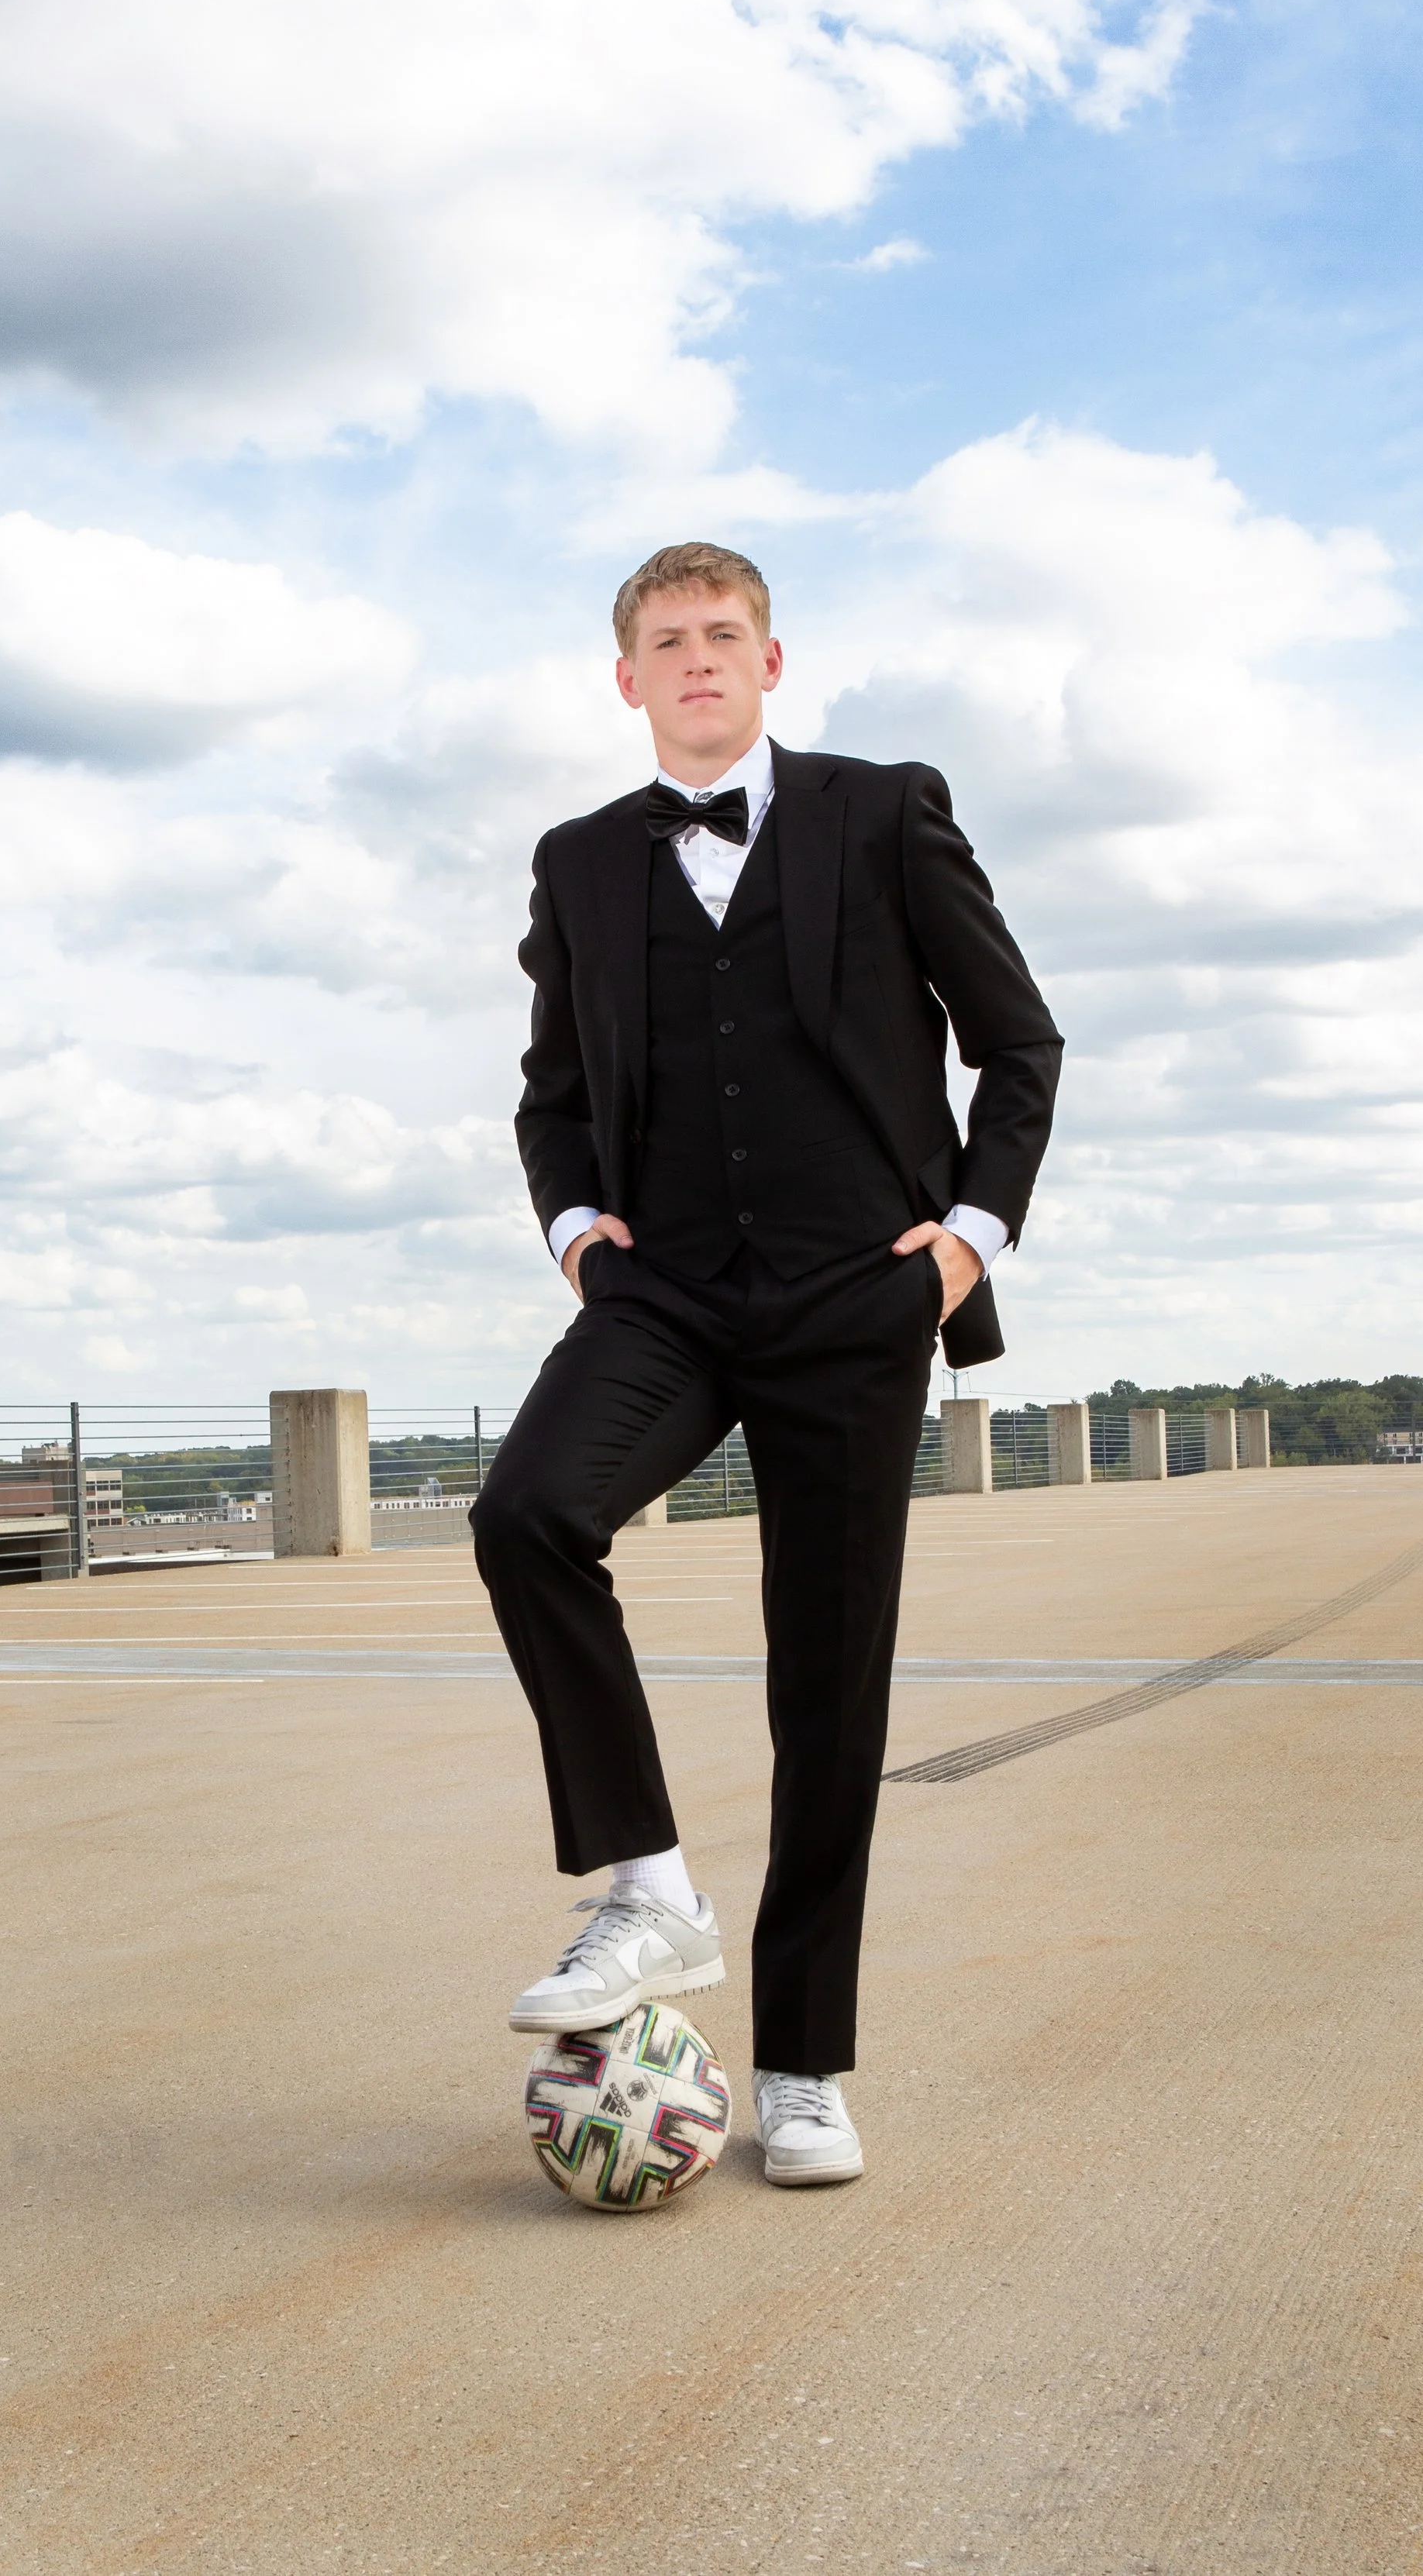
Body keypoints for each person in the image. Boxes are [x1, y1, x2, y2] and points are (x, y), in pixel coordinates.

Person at [472, 543, 1061, 2186]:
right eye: (665, 641)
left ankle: (802, 2067)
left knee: (826, 1680)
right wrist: (578, 1229)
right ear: (627, 680)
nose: (697, 658)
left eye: (721, 633)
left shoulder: (885, 815)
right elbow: (550, 1091)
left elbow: (1018, 1044)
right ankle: (649, 1890)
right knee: (525, 1514)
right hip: (660, 1294)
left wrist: (963, 1243)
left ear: (770, 659)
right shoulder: (578, 862)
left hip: (852, 1295)